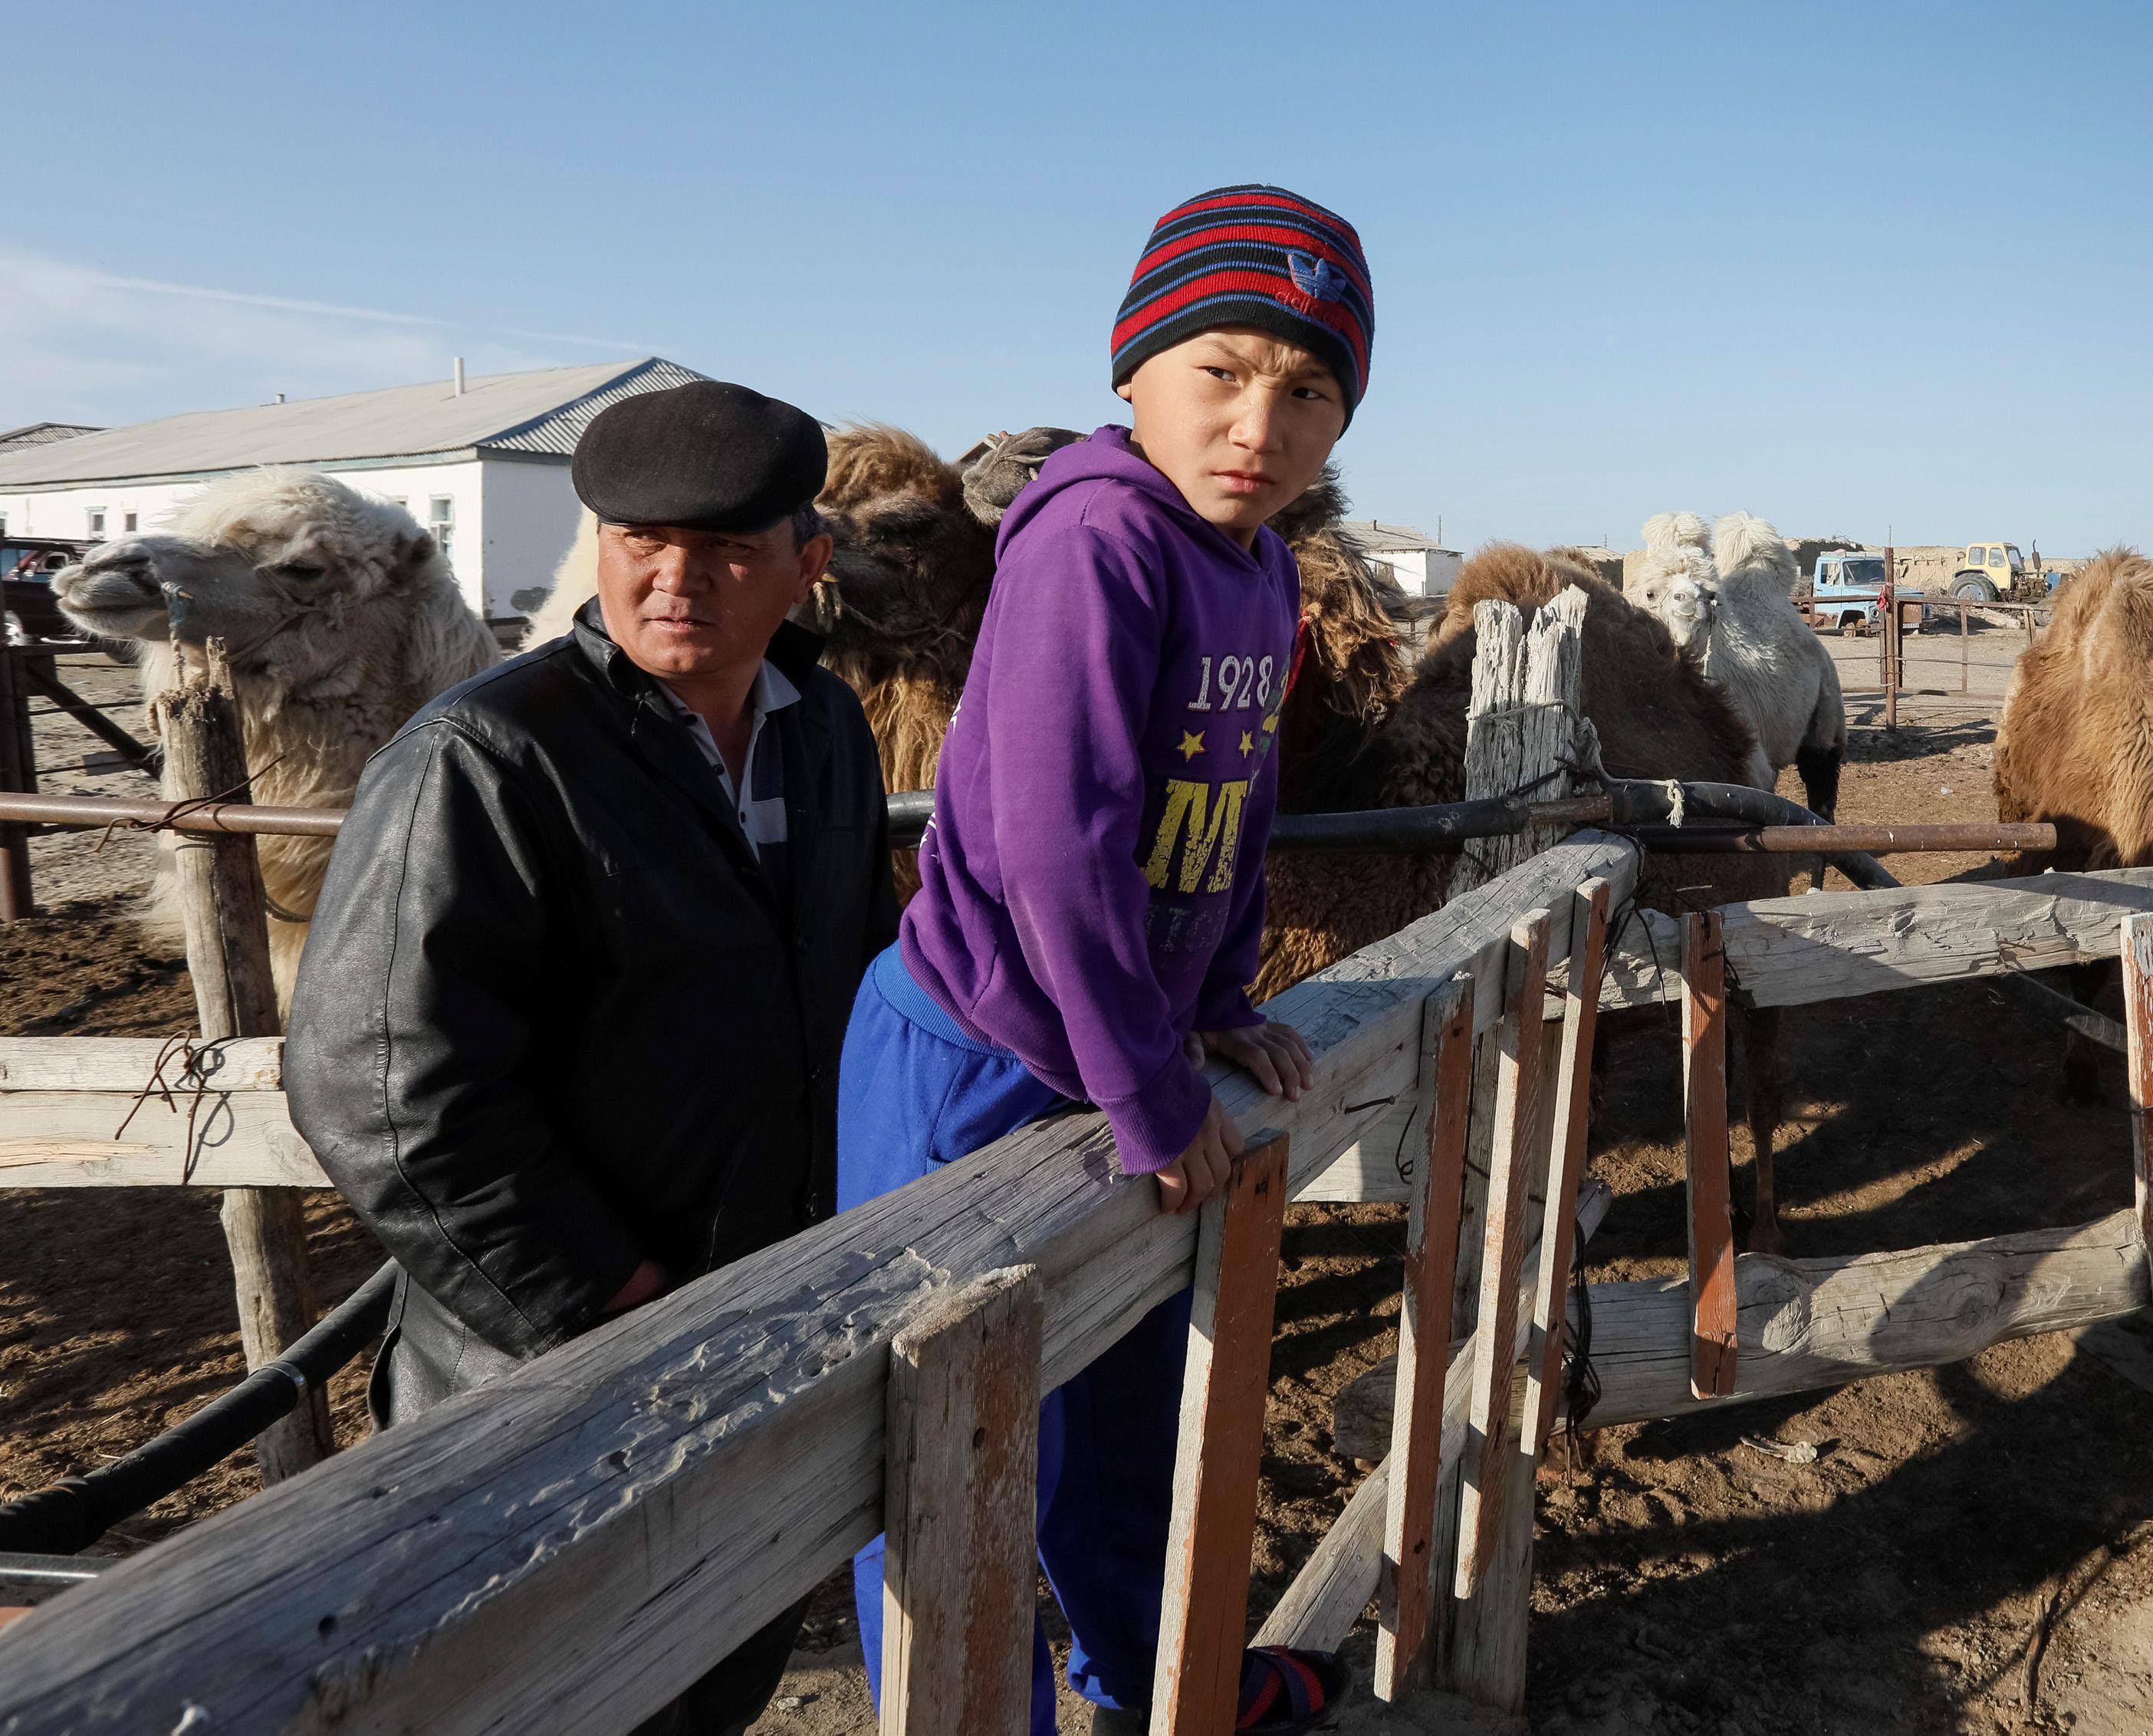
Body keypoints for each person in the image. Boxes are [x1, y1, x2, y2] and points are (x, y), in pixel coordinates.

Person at [285, 379, 901, 1736]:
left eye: (730, 551)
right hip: (544, 1365)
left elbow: (860, 984)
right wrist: (608, 1296)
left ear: (808, 564)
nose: (675, 580)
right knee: (546, 1690)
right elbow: (380, 1090)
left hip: (761, 1322)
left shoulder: (829, 736)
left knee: (712, 1664)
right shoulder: (490, 755)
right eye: (639, 542)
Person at [837, 185, 1372, 1735]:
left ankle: (1161, 1681)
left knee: (1121, 1398)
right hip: (979, 1045)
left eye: (1309, 388)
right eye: (1219, 369)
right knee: (944, 1436)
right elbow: (1056, 847)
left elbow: (1232, 800)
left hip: (1125, 1031)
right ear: (1132, 370)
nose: (1258, 422)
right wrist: (1150, 1084)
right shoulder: (1093, 542)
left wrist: (1213, 1003)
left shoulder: (1257, 566)